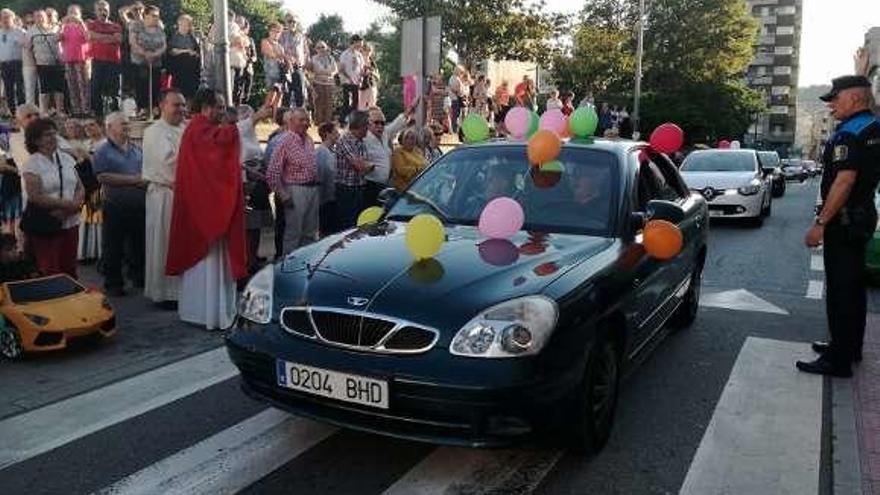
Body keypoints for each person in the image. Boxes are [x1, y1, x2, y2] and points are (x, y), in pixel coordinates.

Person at [798, 75, 880, 378]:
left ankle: (838, 360)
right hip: (862, 215)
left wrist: (821, 223)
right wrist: (862, 74)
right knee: (855, 288)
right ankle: (850, 347)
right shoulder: (871, 126)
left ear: (854, 99)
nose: (831, 104)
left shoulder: (848, 135)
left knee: (841, 292)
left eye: (836, 98)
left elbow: (844, 181)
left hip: (844, 220)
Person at [166, 88, 248, 330]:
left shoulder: (198, 128)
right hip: (203, 210)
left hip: (203, 205)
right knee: (208, 262)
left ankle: (207, 310)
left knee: (212, 265)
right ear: (206, 108)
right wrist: (251, 120)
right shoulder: (199, 129)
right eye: (220, 107)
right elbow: (221, 146)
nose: (223, 112)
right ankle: (208, 313)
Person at [20, 118, 85, 277]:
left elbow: (80, 187)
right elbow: (35, 196)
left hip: (71, 221)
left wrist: (73, 206)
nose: (53, 137)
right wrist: (65, 205)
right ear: (36, 140)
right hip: (47, 222)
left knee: (69, 267)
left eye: (54, 134)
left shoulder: (67, 159)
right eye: (47, 135)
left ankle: (71, 299)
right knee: (49, 269)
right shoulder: (32, 164)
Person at [92, 112, 145, 295]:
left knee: (138, 243)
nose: (127, 127)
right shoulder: (102, 151)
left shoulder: (136, 149)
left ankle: (138, 276)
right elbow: (102, 176)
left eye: (127, 124)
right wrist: (133, 180)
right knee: (113, 246)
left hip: (138, 204)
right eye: (123, 124)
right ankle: (114, 283)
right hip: (115, 205)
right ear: (109, 128)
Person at [141, 88, 185, 306]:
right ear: (161, 106)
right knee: (164, 243)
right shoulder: (154, 131)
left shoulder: (185, 128)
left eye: (183, 105)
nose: (181, 109)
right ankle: (166, 293)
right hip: (164, 194)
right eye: (176, 105)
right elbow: (168, 163)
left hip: (184, 195)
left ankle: (184, 290)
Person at [267, 107, 319, 254]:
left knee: (310, 233)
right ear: (291, 122)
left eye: (307, 119)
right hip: (295, 190)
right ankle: (288, 268)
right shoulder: (284, 141)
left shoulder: (309, 140)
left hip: (312, 189)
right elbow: (272, 173)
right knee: (293, 234)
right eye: (301, 120)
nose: (305, 123)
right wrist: (283, 194)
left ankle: (304, 264)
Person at [363, 105, 411, 206]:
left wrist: (411, 108)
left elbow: (396, 124)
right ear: (368, 123)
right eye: (376, 122)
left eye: (382, 123)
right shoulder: (364, 139)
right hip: (370, 185)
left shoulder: (384, 134)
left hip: (385, 184)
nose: (380, 126)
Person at [334, 110, 371, 228]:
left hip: (360, 187)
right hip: (346, 190)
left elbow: (365, 166)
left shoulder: (362, 142)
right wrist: (369, 165)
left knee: (358, 222)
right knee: (348, 224)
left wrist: (366, 165)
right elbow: (360, 166)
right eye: (367, 125)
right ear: (360, 126)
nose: (368, 129)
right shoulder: (345, 141)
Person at [87, 1, 123, 117]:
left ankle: (115, 114)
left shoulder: (116, 25)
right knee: (96, 88)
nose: (103, 12)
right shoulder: (92, 24)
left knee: (114, 90)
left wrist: (100, 38)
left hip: (113, 61)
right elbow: (91, 35)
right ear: (95, 11)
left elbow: (118, 39)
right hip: (97, 60)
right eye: (100, 9)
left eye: (105, 9)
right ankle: (98, 115)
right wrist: (110, 37)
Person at [27, 10, 65, 117]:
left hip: (57, 63)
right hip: (41, 64)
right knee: (44, 89)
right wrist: (32, 64)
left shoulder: (55, 28)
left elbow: (62, 40)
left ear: (46, 18)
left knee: (59, 89)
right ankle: (44, 111)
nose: (40, 18)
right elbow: (28, 48)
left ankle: (59, 111)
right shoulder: (31, 31)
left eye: (42, 16)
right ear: (34, 18)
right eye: (37, 16)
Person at [130, 5, 165, 116]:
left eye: (157, 16)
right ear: (145, 15)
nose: (156, 18)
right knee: (141, 86)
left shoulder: (159, 27)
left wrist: (155, 54)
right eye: (153, 16)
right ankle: (142, 108)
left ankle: (155, 108)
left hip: (156, 62)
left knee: (155, 86)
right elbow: (133, 42)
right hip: (140, 61)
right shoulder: (136, 25)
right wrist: (145, 53)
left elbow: (164, 45)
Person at [59, 5, 91, 117]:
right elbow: (57, 38)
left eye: (75, 13)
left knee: (83, 84)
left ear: (79, 15)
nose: (72, 15)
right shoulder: (65, 27)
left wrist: (81, 23)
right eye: (70, 13)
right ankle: (76, 110)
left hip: (81, 59)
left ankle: (86, 110)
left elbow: (88, 38)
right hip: (68, 59)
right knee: (72, 85)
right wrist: (62, 24)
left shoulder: (83, 26)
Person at [167, 15, 201, 101]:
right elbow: (172, 51)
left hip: (191, 70)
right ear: (179, 24)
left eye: (188, 25)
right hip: (179, 69)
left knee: (190, 93)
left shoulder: (192, 37)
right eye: (184, 24)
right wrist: (185, 51)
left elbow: (197, 51)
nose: (186, 27)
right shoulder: (174, 37)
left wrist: (194, 53)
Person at [278, 13, 308, 108]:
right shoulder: (281, 35)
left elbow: (306, 52)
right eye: (290, 21)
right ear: (286, 23)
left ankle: (300, 116)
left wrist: (304, 65)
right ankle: (285, 118)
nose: (292, 23)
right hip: (285, 67)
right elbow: (278, 50)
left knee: (300, 94)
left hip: (298, 68)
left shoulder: (301, 36)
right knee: (286, 94)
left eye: (294, 21)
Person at [0, 9, 25, 114]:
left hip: (18, 63)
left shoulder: (20, 31)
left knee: (20, 88)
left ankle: (22, 111)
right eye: (3, 17)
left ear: (13, 18)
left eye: (7, 17)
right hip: (4, 64)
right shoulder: (0, 32)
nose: (5, 20)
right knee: (8, 89)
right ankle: (13, 112)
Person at [315, 121, 338, 236]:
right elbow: (320, 174)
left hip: (332, 197)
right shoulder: (321, 152)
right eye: (335, 132)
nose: (338, 135)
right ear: (327, 134)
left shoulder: (333, 151)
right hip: (324, 199)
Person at [338, 35, 365, 121]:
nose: (360, 46)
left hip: (356, 82)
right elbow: (341, 69)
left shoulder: (359, 55)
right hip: (347, 82)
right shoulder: (345, 54)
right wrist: (349, 78)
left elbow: (361, 68)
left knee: (355, 103)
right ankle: (343, 120)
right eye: (359, 44)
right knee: (347, 102)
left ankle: (353, 120)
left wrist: (361, 78)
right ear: (354, 42)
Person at [310, 41, 337, 125]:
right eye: (318, 47)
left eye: (323, 47)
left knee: (329, 103)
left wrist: (331, 73)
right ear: (315, 49)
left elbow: (335, 69)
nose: (321, 49)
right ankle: (318, 122)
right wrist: (326, 72)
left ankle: (327, 122)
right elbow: (315, 70)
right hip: (318, 83)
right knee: (319, 102)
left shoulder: (331, 58)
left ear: (326, 48)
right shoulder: (313, 58)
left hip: (329, 83)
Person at [261, 23, 286, 94]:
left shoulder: (280, 46)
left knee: (279, 95)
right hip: (270, 74)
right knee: (271, 95)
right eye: (273, 31)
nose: (276, 33)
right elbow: (271, 53)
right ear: (269, 31)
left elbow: (282, 60)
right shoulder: (265, 41)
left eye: (278, 32)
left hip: (280, 74)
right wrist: (285, 56)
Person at [358, 43, 379, 111]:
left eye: (369, 50)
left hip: (372, 84)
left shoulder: (372, 62)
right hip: (362, 85)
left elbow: (378, 76)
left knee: (372, 105)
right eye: (366, 50)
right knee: (361, 106)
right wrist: (364, 73)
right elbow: (356, 73)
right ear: (362, 50)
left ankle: (372, 120)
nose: (368, 52)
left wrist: (372, 73)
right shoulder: (359, 61)